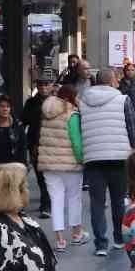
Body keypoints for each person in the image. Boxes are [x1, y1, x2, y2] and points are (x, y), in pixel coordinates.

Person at [79, 69, 135, 257]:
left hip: (93, 158)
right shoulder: (122, 100)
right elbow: (131, 127)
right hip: (118, 157)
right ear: (113, 81)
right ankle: (119, 239)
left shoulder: (83, 102)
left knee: (97, 203)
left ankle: (100, 244)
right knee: (118, 201)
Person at [38, 85, 86, 251]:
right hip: (70, 165)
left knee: (56, 201)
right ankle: (76, 234)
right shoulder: (71, 114)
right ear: (71, 97)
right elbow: (76, 142)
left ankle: (60, 240)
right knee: (74, 198)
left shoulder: (46, 112)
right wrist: (82, 160)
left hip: (49, 165)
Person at [20, 81, 54, 217]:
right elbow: (24, 120)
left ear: (51, 86)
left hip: (52, 142)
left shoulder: (56, 102)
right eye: (40, 86)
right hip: (36, 142)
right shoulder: (31, 103)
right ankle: (46, 202)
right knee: (40, 174)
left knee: (49, 174)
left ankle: (47, 204)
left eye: (46, 85)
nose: (43, 88)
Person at [0, 95, 27, 168]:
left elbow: (23, 148)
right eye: (2, 106)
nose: (5, 109)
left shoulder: (17, 126)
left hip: (15, 168)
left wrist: (22, 166)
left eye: (8, 106)